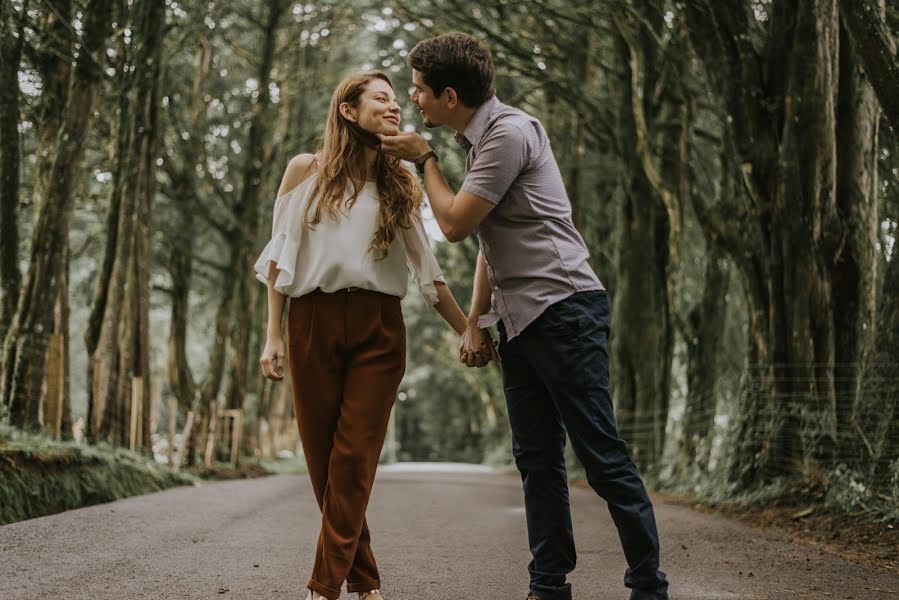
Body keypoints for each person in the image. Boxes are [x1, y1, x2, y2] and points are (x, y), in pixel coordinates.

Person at [378, 33, 670, 600]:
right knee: (537, 459)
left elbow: (458, 224)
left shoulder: (509, 133)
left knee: (600, 452)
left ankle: (647, 584)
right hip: (520, 320)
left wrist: (425, 159)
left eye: (418, 89)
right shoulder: (479, 138)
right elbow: (492, 241)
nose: (412, 99)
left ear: (449, 95)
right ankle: (548, 584)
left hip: (564, 308)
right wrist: (474, 320)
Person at [255, 70, 483, 600]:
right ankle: (365, 582)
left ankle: (324, 585)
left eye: (396, 101)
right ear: (346, 109)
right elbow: (279, 259)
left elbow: (428, 274)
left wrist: (469, 328)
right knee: (323, 462)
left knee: (354, 455)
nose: (395, 106)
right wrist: (272, 336)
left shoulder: (399, 183)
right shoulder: (303, 171)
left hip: (380, 328)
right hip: (310, 322)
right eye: (380, 98)